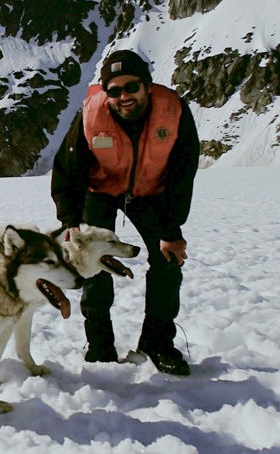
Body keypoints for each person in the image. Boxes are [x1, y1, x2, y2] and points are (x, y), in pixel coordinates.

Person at [51, 49, 200, 375]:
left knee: (168, 260)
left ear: (146, 85)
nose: (123, 97)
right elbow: (67, 170)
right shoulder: (92, 116)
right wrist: (70, 222)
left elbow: (182, 173)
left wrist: (172, 231)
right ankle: (99, 344)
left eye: (131, 87)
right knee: (94, 264)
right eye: (114, 91)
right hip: (101, 192)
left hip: (151, 193)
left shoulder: (172, 112)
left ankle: (157, 342)